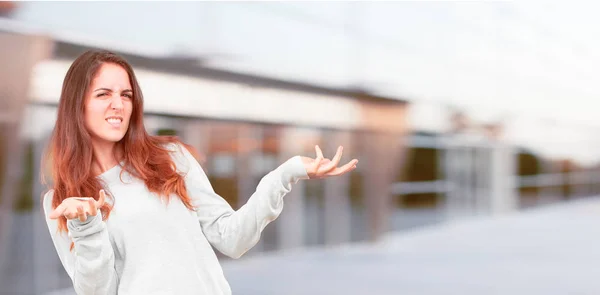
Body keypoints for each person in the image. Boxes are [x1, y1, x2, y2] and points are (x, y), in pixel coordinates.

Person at [41, 50, 358, 295]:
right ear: (77, 104)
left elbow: (233, 238)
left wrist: (286, 174)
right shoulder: (62, 201)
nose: (118, 105)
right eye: (103, 94)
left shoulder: (170, 158)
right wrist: (86, 228)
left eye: (125, 94)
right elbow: (98, 291)